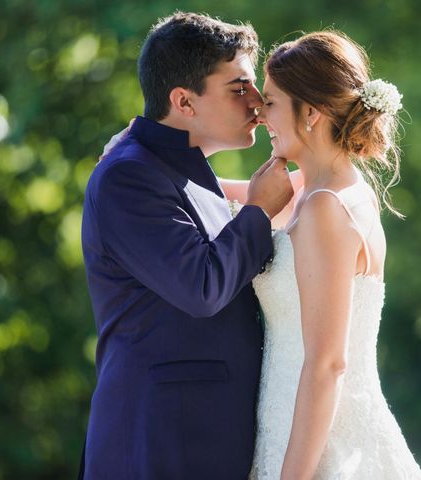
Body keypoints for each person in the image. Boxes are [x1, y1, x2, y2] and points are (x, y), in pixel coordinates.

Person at [80, 12, 295, 479]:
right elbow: (201, 286)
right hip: (160, 442)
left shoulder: (180, 172)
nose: (258, 104)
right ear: (183, 101)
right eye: (239, 89)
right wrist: (258, 212)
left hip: (202, 436)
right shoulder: (128, 177)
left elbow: (297, 190)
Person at [248, 31, 421, 479]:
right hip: (294, 427)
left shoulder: (326, 208)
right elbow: (220, 198)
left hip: (324, 450)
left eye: (270, 102)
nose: (258, 113)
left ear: (309, 111)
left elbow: (328, 363)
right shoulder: (325, 193)